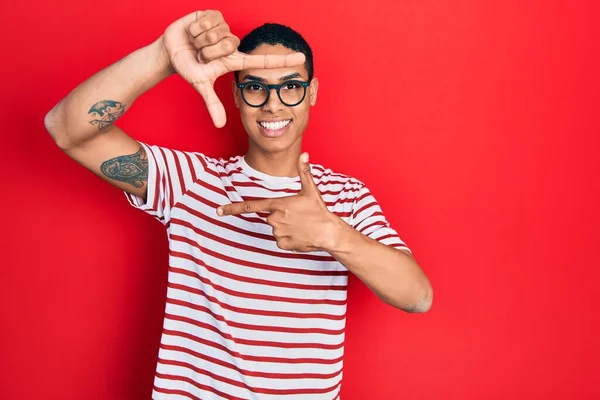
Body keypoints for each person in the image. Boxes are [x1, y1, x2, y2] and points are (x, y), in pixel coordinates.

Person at [44, 9, 433, 400]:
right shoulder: (191, 183)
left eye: (291, 86)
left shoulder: (347, 196)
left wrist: (332, 234)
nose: (273, 105)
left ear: (312, 92)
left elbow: (417, 296)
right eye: (255, 87)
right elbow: (66, 130)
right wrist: (162, 56)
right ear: (236, 95)